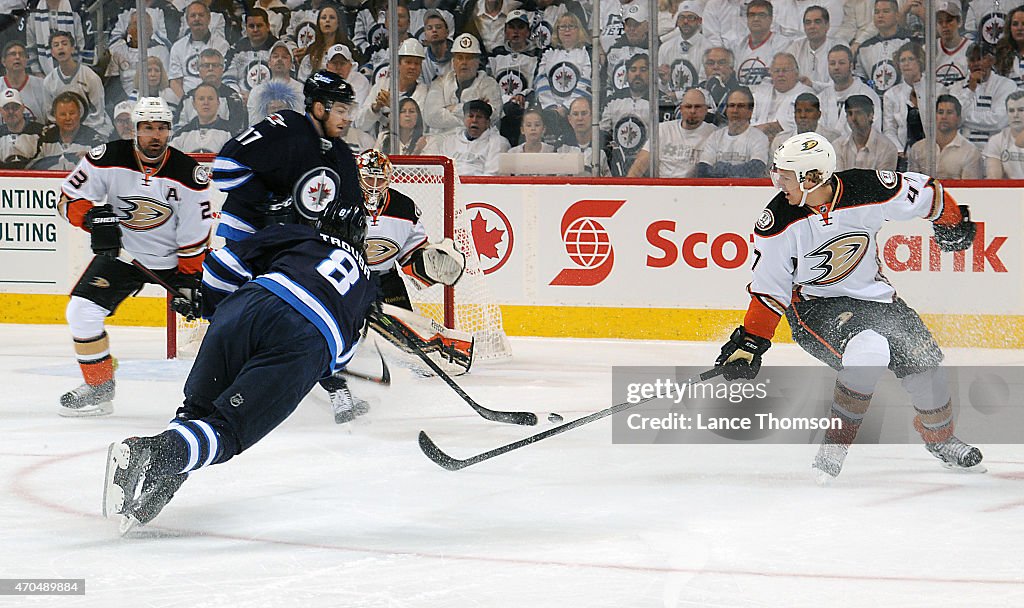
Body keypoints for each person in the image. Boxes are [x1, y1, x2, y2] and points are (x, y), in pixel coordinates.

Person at [714, 131, 984, 484]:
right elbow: (769, 290)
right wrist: (751, 342)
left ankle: (942, 441)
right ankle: (833, 449)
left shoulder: (867, 189)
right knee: (869, 349)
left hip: (876, 299)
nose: (778, 182)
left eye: (786, 175)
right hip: (814, 307)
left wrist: (951, 221)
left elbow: (927, 194)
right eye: (776, 172)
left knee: (926, 367)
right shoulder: (777, 220)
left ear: (813, 178)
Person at [103, 199, 375, 532]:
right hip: (307, 337)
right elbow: (343, 356)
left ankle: (169, 473)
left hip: (252, 301)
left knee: (198, 409)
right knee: (229, 430)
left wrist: (209, 304)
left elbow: (224, 265)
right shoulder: (367, 285)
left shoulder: (299, 235)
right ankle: (150, 454)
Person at [212, 69, 366, 422]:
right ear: (317, 108)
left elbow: (349, 209)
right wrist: (268, 200)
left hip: (292, 247)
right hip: (249, 236)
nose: (346, 118)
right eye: (340, 109)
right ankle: (219, 388)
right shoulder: (284, 127)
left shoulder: (340, 152)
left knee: (308, 314)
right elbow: (224, 167)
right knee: (234, 314)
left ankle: (337, 392)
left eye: (348, 110)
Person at [56, 97, 212, 417]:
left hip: (173, 262)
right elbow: (67, 200)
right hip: (123, 256)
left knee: (227, 316)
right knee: (81, 312)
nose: (155, 135)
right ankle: (99, 388)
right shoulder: (107, 157)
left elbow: (196, 231)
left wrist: (188, 278)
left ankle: (238, 390)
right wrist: (90, 218)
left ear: (170, 131)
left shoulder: (188, 173)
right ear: (135, 130)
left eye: (161, 128)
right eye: (147, 128)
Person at [628, 87, 716, 178]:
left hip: (696, 189)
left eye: (698, 107)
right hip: (663, 188)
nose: (692, 111)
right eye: (688, 106)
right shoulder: (663, 130)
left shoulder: (714, 134)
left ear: (706, 110)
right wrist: (626, 188)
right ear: (681, 109)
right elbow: (639, 166)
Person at [695, 87, 770, 178]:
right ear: (726, 110)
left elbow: (755, 171)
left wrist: (721, 168)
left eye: (740, 106)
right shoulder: (715, 137)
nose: (735, 110)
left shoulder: (759, 138)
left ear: (750, 111)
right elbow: (703, 171)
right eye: (731, 105)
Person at [423, 99, 510, 175]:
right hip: (449, 189)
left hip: (479, 190)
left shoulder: (498, 143)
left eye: (479, 117)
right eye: (470, 116)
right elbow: (439, 170)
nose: (474, 120)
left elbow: (491, 176)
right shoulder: (450, 140)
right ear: (464, 119)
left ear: (487, 122)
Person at [907, 95, 983, 179]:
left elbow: (970, 189)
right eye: (940, 112)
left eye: (949, 112)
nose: (944, 117)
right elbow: (912, 185)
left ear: (958, 118)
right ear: (935, 116)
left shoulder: (970, 152)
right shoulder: (918, 148)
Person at [833, 94, 897, 171]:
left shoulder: (888, 148)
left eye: (858, 113)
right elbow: (837, 179)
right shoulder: (837, 145)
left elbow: (881, 182)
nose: (853, 118)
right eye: (850, 114)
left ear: (870, 115)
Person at [983, 90, 1024, 179]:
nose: (1015, 115)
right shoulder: (996, 140)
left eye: (1021, 110)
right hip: (1010, 191)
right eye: (1011, 111)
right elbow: (994, 178)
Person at [0, 88, 44, 168]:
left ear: (23, 108)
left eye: (15, 107)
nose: (11, 112)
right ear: (1, 110)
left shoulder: (40, 132)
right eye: (6, 108)